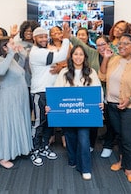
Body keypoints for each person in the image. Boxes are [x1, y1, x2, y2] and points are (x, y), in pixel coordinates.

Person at [99, 33, 131, 183]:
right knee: (120, 135)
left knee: (128, 138)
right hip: (112, 105)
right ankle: (122, 160)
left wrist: (130, 99)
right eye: (119, 44)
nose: (121, 46)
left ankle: (129, 168)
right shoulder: (114, 60)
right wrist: (106, 58)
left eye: (125, 43)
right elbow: (102, 76)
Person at [52, 45, 103, 180]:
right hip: (67, 113)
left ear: (85, 57)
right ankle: (73, 159)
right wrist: (51, 106)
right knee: (70, 137)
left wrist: (100, 102)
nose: (78, 57)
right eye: (75, 54)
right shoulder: (64, 72)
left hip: (84, 114)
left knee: (84, 139)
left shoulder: (91, 72)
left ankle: (85, 168)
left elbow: (98, 90)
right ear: (71, 56)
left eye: (81, 54)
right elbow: (56, 91)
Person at [29, 26, 70, 166]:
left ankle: (44, 147)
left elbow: (61, 60)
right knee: (39, 122)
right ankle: (34, 151)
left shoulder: (45, 50)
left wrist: (60, 65)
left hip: (51, 91)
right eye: (40, 37)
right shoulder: (36, 53)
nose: (44, 39)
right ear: (34, 38)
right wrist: (65, 38)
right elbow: (61, 56)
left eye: (45, 36)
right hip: (39, 92)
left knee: (49, 122)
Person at [0, 37, 33, 169]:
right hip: (8, 98)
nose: (14, 45)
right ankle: (3, 157)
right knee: (7, 124)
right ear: (4, 47)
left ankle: (17, 149)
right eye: (11, 43)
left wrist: (20, 54)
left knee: (18, 122)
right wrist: (11, 54)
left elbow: (19, 71)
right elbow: (0, 71)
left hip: (19, 97)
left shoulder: (11, 60)